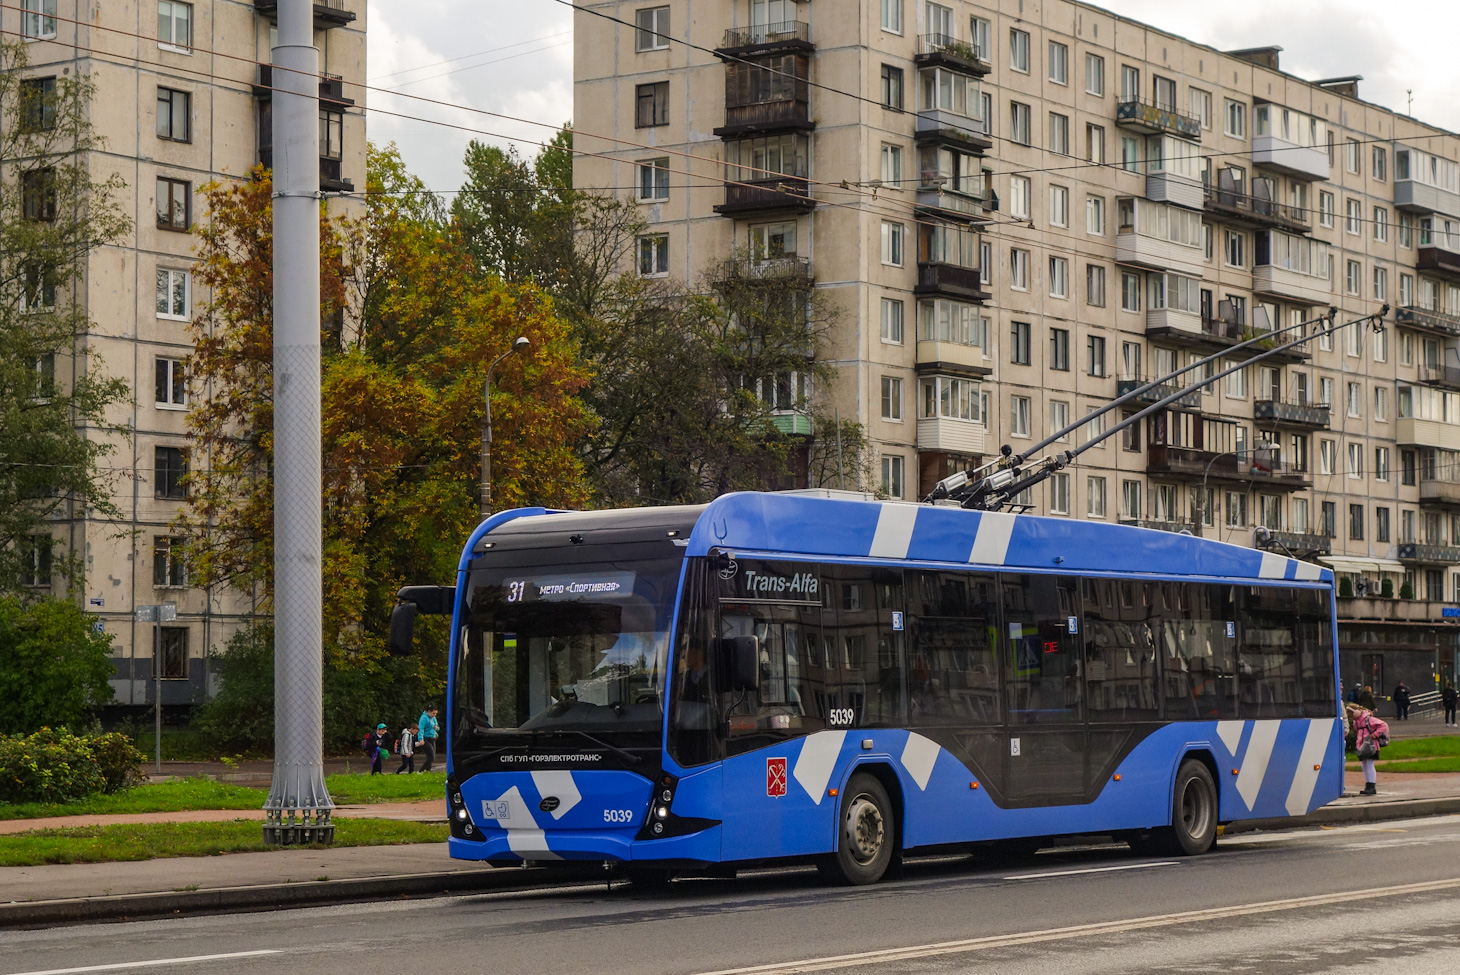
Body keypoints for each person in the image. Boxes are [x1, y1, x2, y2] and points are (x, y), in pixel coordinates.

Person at [1349, 704, 1389, 796]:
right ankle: (1368, 785)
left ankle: (1371, 785)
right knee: (1365, 765)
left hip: (1371, 745)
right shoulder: (1357, 722)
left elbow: (1383, 725)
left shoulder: (1368, 719)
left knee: (1369, 764)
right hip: (1362, 746)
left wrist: (1375, 734)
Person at [417, 705, 439, 773]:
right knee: (431, 757)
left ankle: (428, 771)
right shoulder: (423, 718)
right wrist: (421, 739)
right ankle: (421, 771)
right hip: (425, 738)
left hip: (433, 737)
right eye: (433, 713)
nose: (434, 715)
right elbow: (421, 729)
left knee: (430, 756)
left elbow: (437, 726)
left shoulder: (434, 718)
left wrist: (437, 728)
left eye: (435, 713)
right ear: (429, 712)